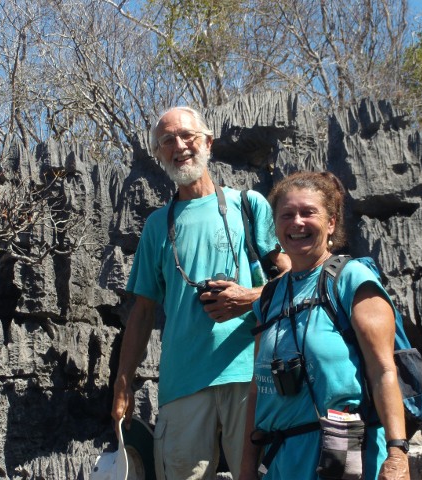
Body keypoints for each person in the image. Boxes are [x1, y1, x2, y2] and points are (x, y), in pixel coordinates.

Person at [111, 106, 290, 480]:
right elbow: (142, 314)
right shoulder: (157, 226)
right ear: (159, 155)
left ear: (208, 142)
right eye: (167, 141)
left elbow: (294, 277)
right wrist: (123, 383)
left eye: (187, 136)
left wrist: (250, 296)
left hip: (250, 377)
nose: (179, 146)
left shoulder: (248, 205)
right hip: (182, 385)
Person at [240, 171, 410, 480]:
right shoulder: (268, 298)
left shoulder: (352, 280)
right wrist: (247, 468)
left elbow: (383, 370)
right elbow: (257, 389)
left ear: (331, 222)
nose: (297, 222)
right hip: (280, 462)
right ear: (275, 227)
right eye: (287, 215)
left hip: (344, 451)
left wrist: (397, 453)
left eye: (308, 212)